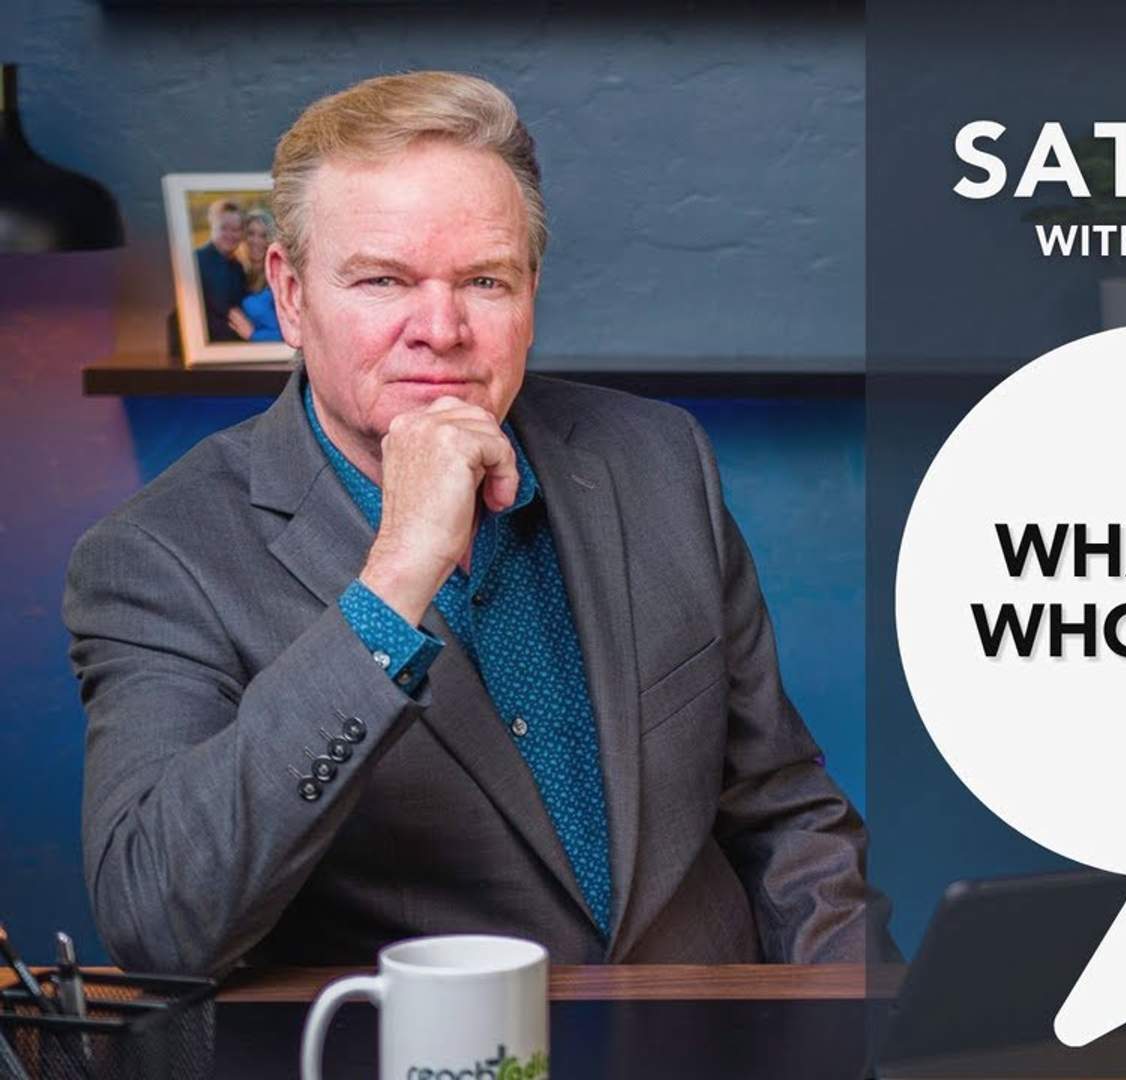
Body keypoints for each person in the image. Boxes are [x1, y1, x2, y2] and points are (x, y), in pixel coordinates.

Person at [66, 71, 884, 975]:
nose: (442, 328)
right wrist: (396, 576)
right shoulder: (157, 557)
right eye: (383, 280)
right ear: (290, 298)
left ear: (532, 289)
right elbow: (158, 916)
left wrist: (870, 1032)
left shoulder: (658, 458)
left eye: (485, 280)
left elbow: (783, 810)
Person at [194, 199, 249, 342]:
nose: (230, 235)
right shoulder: (196, 262)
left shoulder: (237, 267)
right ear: (212, 227)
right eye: (223, 228)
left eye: (236, 229)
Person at [228, 208, 282, 342]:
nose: (256, 241)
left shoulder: (277, 278)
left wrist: (253, 335)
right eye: (251, 233)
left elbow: (290, 334)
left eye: (263, 236)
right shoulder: (236, 273)